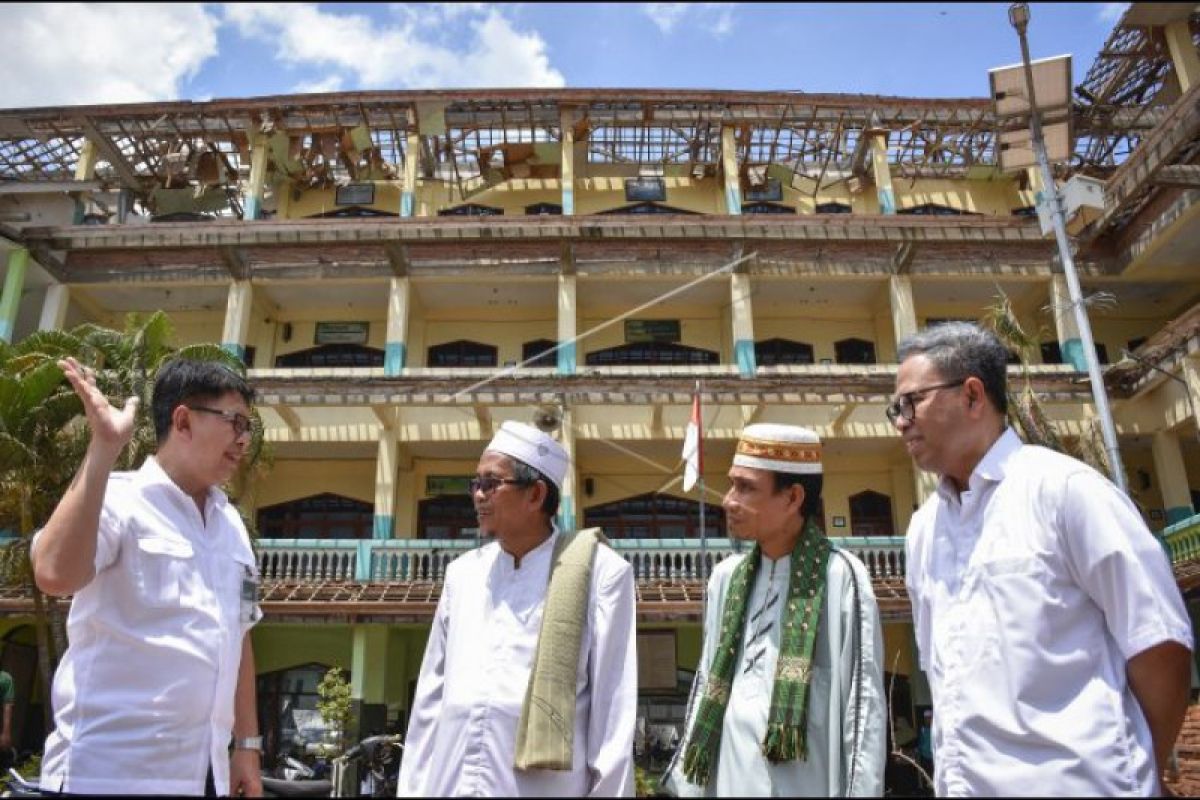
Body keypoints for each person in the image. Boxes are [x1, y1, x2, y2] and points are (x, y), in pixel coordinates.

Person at [891, 322, 1194, 796]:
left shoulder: (1066, 492)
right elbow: (946, 680)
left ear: (973, 396)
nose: (900, 421)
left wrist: (1133, 772)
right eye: (895, 408)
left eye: (911, 402)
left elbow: (1159, 647)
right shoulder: (925, 531)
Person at [32, 357, 264, 796]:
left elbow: (240, 634)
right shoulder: (119, 499)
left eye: (247, 427)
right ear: (183, 420)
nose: (244, 440)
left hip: (201, 775)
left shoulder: (231, 525)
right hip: (105, 773)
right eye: (235, 422)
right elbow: (54, 574)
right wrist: (104, 448)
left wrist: (247, 747)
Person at [398, 420, 638, 796]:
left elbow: (613, 714)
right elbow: (429, 703)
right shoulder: (463, 575)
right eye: (475, 484)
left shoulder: (600, 574)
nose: (478, 495)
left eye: (491, 483)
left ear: (535, 494)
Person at [664, 423, 886, 797]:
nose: (729, 500)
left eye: (746, 487)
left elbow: (863, 707)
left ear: (793, 497)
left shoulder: (840, 578)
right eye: (732, 484)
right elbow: (706, 683)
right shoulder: (725, 578)